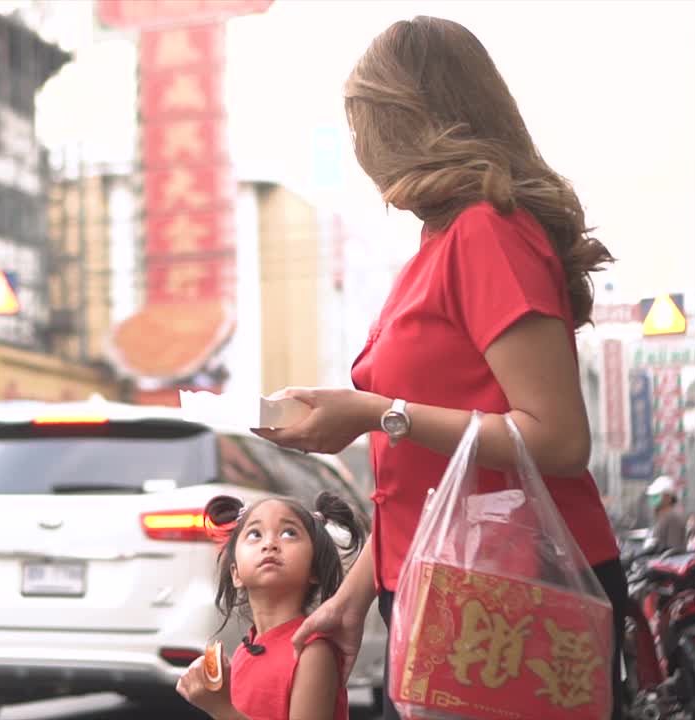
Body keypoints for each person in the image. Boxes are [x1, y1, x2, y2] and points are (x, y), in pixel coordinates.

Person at [248, 16, 629, 720]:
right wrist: (353, 597)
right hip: (446, 588)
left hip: (516, 592)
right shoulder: (440, 241)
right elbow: (425, 490)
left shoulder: (488, 232)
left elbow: (557, 439)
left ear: (406, 122)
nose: (362, 150)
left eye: (365, 124)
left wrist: (373, 413)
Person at [176, 492, 365, 720]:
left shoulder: (312, 650)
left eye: (289, 533)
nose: (269, 544)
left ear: (315, 568)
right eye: (255, 534)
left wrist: (221, 709)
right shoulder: (244, 653)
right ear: (236, 574)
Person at [647, 475, 688, 553]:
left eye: (657, 495)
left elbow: (673, 551)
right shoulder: (660, 518)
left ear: (668, 497)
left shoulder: (673, 519)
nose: (653, 498)